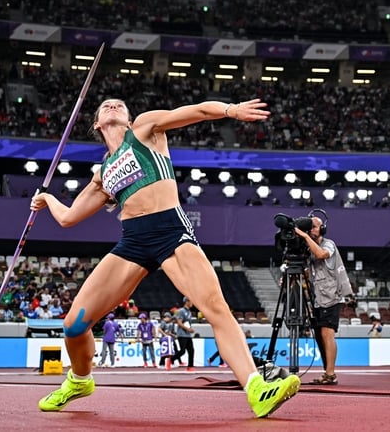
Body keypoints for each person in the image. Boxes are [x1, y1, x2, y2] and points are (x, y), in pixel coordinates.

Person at [30, 97, 299, 417]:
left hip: (171, 231)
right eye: (106, 106)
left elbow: (195, 111)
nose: (113, 106)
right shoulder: (102, 174)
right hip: (132, 242)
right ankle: (79, 380)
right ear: (97, 124)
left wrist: (231, 110)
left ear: (129, 119)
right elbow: (69, 217)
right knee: (74, 324)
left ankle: (256, 387)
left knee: (215, 307)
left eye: (119, 105)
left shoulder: (145, 129)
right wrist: (46, 198)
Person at [294, 213, 353, 385]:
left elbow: (321, 255)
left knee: (327, 334)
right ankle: (328, 371)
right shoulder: (309, 247)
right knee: (321, 335)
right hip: (319, 297)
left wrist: (304, 236)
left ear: (323, 229)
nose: (311, 229)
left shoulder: (329, 244)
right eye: (309, 226)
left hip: (332, 295)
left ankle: (330, 373)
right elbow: (310, 270)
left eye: (315, 226)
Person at [172, 296, 196, 371]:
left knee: (191, 350)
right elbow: (179, 323)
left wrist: (190, 329)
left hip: (187, 334)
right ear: (187, 302)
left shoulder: (189, 312)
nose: (192, 303)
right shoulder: (181, 311)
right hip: (182, 334)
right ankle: (171, 359)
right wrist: (188, 329)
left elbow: (187, 323)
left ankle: (190, 366)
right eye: (191, 301)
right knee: (182, 351)